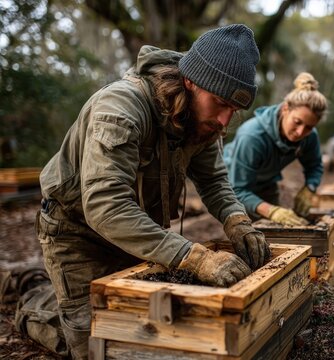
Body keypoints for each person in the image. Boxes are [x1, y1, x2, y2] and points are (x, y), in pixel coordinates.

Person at [5, 24, 271, 359]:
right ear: (191, 81)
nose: (224, 120)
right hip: (77, 233)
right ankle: (28, 293)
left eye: (234, 109)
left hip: (140, 232)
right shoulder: (120, 108)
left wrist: (237, 221)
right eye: (220, 103)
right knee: (99, 345)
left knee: (153, 334)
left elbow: (214, 180)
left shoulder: (202, 119)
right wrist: (196, 257)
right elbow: (106, 208)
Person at [223, 72, 327, 227]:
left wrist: (310, 187)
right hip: (233, 182)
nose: (300, 132)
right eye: (297, 122)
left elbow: (314, 166)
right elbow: (238, 189)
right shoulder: (252, 136)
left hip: (267, 183)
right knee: (244, 232)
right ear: (285, 109)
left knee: (273, 233)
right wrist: (272, 211)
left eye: (309, 127)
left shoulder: (309, 136)